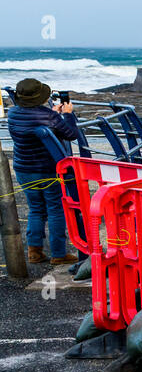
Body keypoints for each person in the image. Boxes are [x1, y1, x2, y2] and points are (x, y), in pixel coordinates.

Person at [6, 78, 80, 264]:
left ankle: (34, 252)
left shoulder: (13, 113)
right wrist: (68, 115)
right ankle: (58, 254)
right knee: (55, 209)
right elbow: (71, 134)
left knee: (36, 209)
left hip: (23, 168)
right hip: (48, 170)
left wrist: (51, 114)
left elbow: (32, 118)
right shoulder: (48, 116)